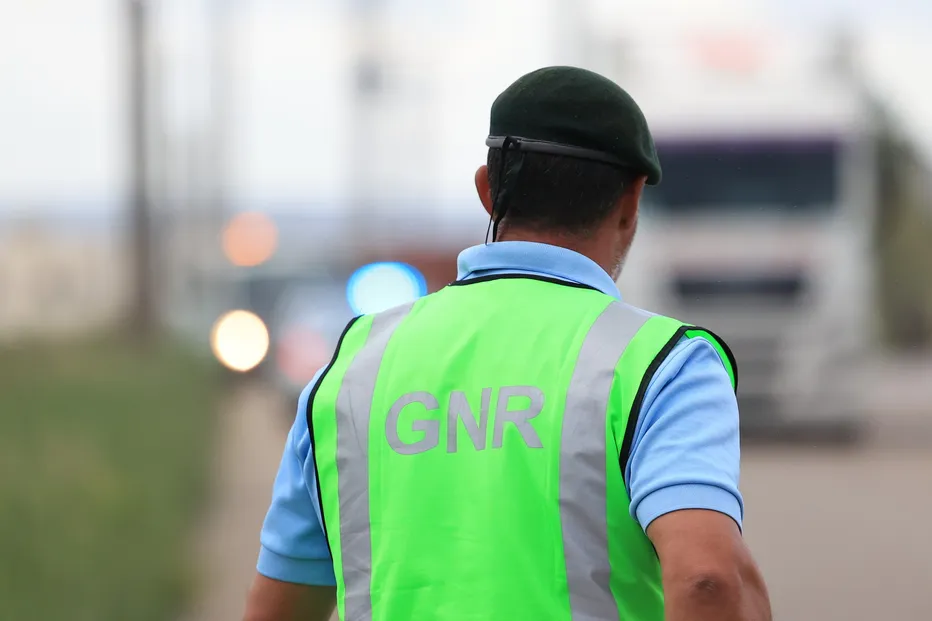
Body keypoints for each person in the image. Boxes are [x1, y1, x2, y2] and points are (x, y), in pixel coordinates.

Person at [243, 66, 772, 621]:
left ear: (487, 190)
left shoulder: (353, 364)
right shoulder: (663, 364)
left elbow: (277, 607)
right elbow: (707, 578)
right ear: (630, 202)